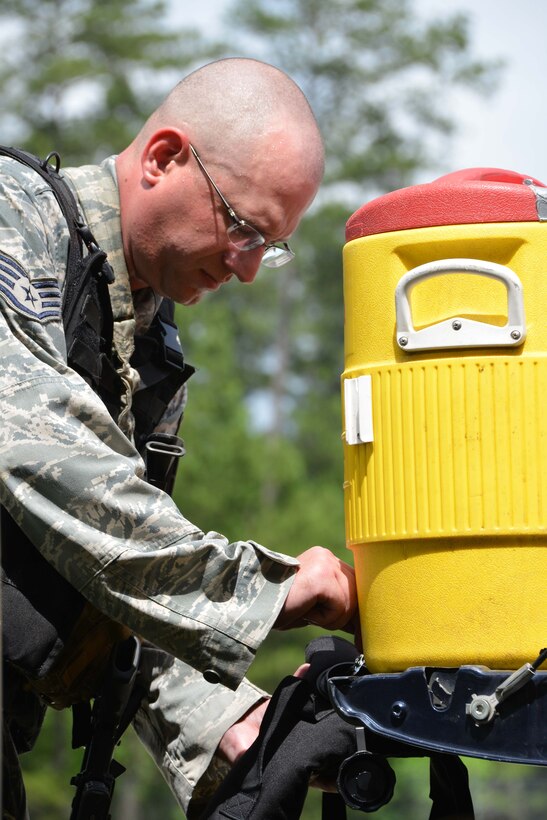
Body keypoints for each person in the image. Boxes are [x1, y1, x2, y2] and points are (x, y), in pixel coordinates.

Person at [1, 57, 357, 817]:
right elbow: (36, 447)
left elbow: (114, 574)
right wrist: (268, 588)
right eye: (244, 228)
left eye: (270, 244)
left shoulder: (139, 342)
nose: (249, 269)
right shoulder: (11, 218)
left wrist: (235, 728)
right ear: (164, 158)